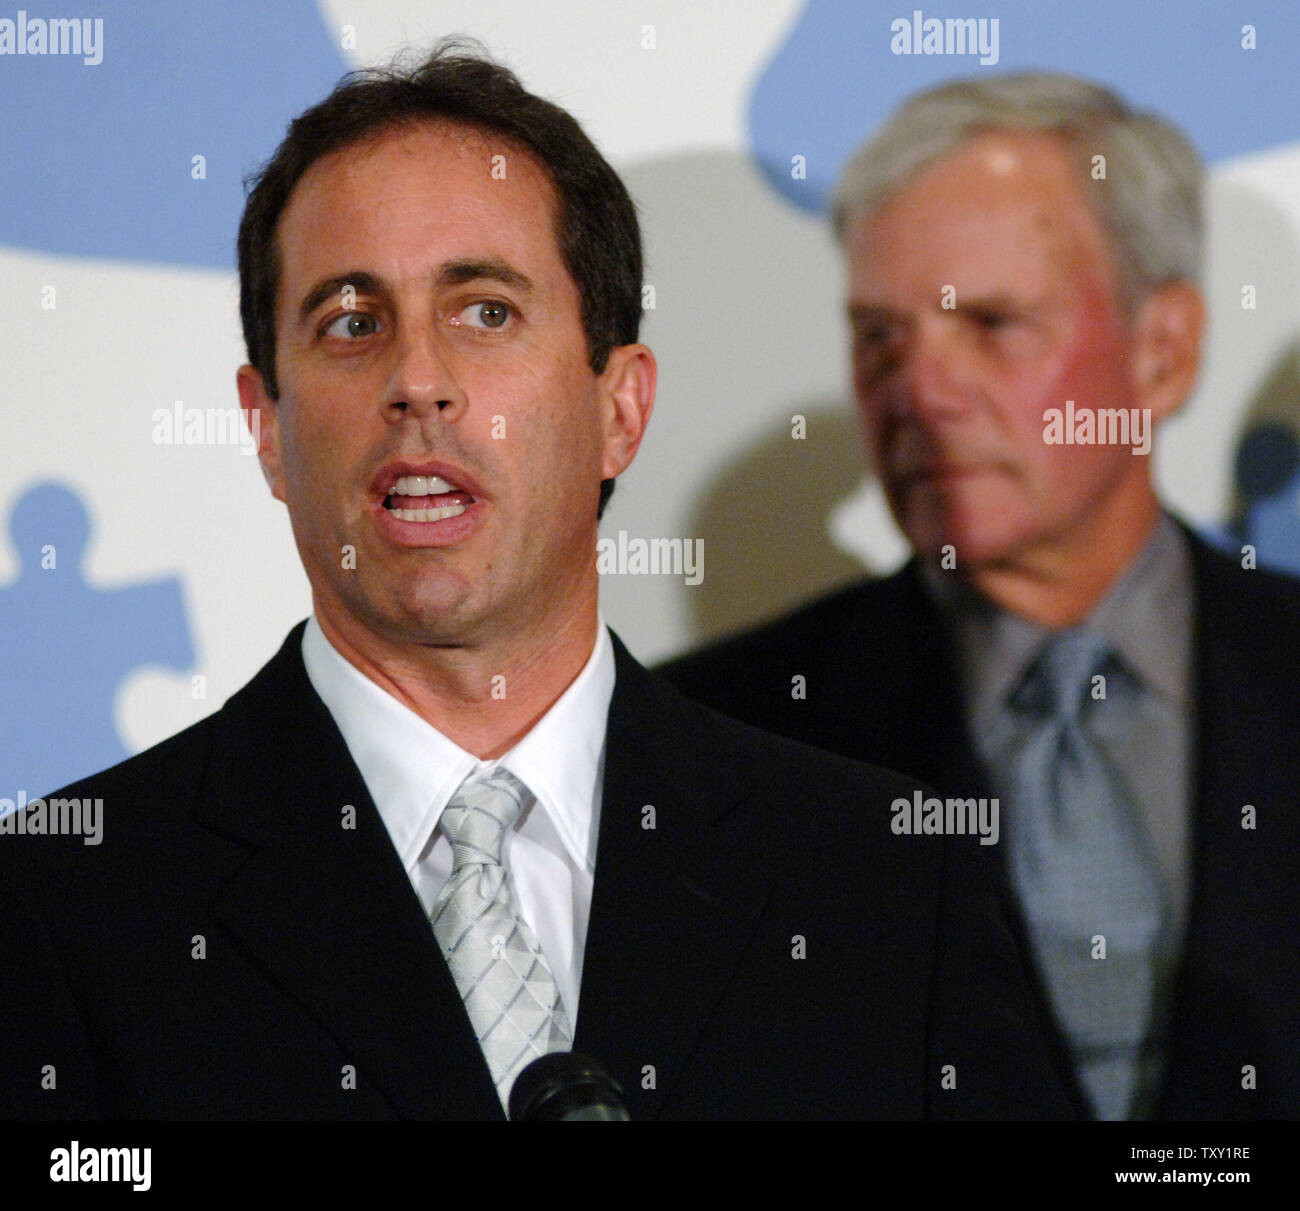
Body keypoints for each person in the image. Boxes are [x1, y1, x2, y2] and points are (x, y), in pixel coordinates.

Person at [0, 44, 1069, 1121]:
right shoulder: (65, 907)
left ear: (620, 409)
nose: (418, 381)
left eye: (486, 311)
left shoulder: (890, 881)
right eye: (351, 324)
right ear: (265, 428)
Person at [661, 73, 1300, 1121]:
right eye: (879, 336)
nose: (918, 391)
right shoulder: (713, 739)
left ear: (1164, 350)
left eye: (992, 323)